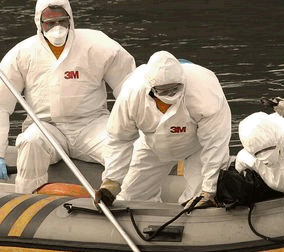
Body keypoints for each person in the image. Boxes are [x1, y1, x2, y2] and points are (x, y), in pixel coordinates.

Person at [0, 0, 136, 193]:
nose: (57, 28)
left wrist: (138, 132)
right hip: (46, 128)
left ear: (71, 19)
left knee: (121, 150)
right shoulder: (22, 53)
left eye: (62, 21)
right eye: (50, 22)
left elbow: (130, 87)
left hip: (91, 125)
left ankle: (126, 201)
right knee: (30, 143)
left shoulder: (98, 45)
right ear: (39, 22)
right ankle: (28, 200)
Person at [97, 51, 231, 209]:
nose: (170, 95)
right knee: (130, 198)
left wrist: (209, 189)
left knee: (197, 203)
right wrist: (112, 181)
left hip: (197, 148)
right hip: (151, 146)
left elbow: (215, 143)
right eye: (163, 91)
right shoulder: (131, 94)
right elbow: (119, 139)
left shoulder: (205, 92)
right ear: (150, 88)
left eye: (174, 89)